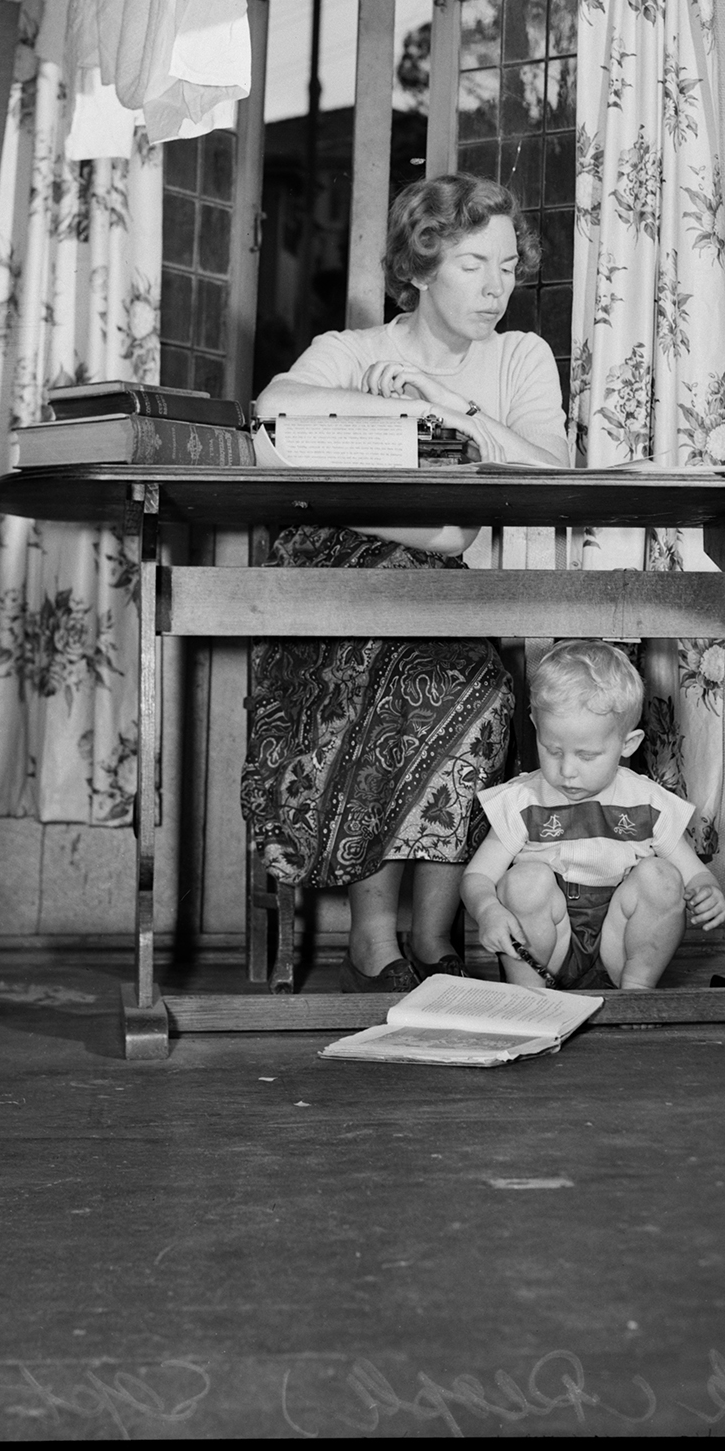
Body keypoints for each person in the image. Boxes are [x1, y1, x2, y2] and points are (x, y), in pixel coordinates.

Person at [241, 173, 572, 994]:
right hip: (337, 586)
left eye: (506, 265)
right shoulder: (353, 350)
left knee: (483, 693)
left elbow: (554, 468)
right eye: (470, 264)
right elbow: (271, 409)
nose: (495, 286)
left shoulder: (519, 356)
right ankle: (373, 935)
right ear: (422, 267)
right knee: (391, 668)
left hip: (449, 591)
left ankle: (432, 937)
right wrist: (376, 419)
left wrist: (447, 406)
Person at [462, 640, 725, 990]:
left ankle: (636, 989)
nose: (567, 770)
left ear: (627, 745)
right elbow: (477, 877)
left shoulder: (646, 800)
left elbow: (694, 875)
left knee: (663, 876)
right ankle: (528, 994)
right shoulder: (523, 799)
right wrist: (487, 911)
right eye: (552, 749)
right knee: (523, 882)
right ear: (535, 726)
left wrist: (708, 890)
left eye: (586, 756)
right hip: (546, 948)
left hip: (619, 944)